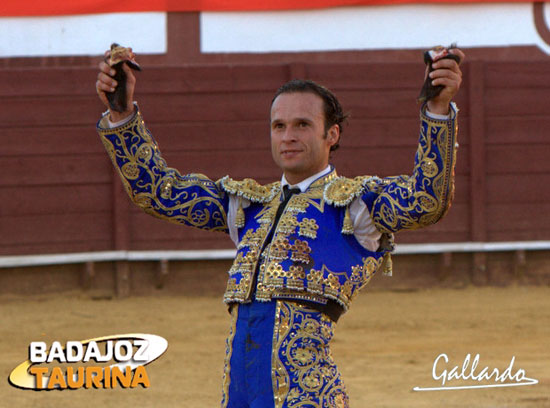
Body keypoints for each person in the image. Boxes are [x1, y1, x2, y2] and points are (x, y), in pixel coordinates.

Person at [95, 47, 464, 408]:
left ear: (331, 135)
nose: (288, 136)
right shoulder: (249, 205)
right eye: (279, 126)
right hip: (240, 394)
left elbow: (425, 201)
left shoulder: (355, 205)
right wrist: (122, 115)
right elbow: (159, 193)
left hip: (307, 395)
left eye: (302, 125)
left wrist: (436, 110)